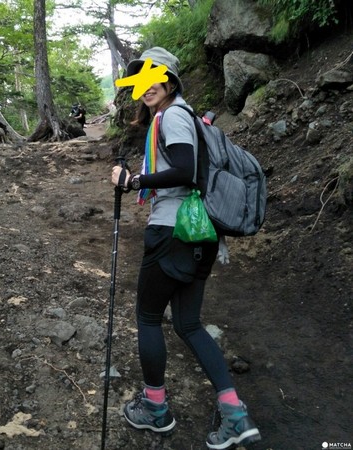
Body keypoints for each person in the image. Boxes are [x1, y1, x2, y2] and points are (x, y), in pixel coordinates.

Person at [111, 47, 261, 449]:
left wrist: (133, 181)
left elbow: (183, 168)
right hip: (200, 235)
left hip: (173, 231)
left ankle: (155, 410)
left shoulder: (173, 115)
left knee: (147, 316)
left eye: (153, 78)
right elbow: (184, 168)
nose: (145, 87)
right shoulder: (188, 117)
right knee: (188, 324)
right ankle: (234, 415)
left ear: (171, 80)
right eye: (139, 81)